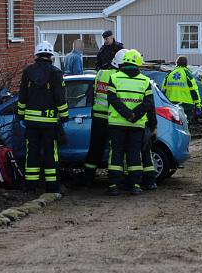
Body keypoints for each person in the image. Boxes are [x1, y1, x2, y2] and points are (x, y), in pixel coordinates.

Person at [17, 41, 69, 193]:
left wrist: (21, 117)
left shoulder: (27, 72)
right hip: (49, 123)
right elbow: (60, 98)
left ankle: (31, 186)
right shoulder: (56, 73)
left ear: (36, 55)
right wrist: (65, 117)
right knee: (50, 154)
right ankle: (52, 187)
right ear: (51, 56)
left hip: (31, 122)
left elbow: (22, 96)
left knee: (31, 153)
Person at [106, 49, 156, 196]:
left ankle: (114, 185)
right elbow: (148, 103)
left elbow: (112, 100)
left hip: (117, 123)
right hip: (136, 124)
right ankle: (135, 184)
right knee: (134, 154)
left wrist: (126, 114)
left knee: (116, 154)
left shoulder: (114, 78)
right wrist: (134, 115)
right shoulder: (145, 80)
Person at [81, 48, 128, 185]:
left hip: (97, 117)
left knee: (95, 148)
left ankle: (88, 178)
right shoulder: (118, 78)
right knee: (116, 149)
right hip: (112, 118)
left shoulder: (101, 73)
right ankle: (117, 178)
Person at [161, 56, 201, 121]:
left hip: (172, 104)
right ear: (186, 64)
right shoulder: (187, 74)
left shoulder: (170, 74)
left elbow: (163, 90)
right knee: (185, 125)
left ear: (177, 63)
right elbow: (194, 90)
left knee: (174, 125)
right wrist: (198, 104)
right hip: (186, 105)